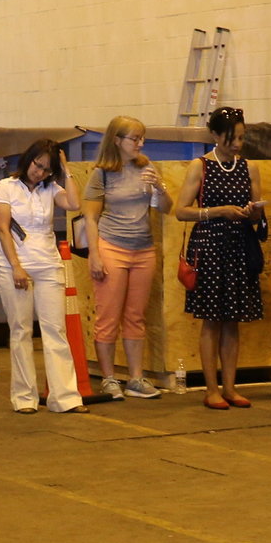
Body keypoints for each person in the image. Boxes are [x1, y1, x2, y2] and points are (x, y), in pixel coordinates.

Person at [178, 105, 266, 411]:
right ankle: (210, 388)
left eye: (241, 137)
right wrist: (218, 211)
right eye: (230, 138)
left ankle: (230, 387)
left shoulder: (249, 168)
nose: (237, 144)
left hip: (240, 245)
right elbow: (180, 210)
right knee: (212, 321)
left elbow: (257, 212)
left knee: (234, 321)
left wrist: (254, 212)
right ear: (214, 135)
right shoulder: (199, 166)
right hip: (210, 248)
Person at [0, 138, 85, 415]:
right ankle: (24, 398)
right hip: (13, 267)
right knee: (21, 331)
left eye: (46, 169)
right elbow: (3, 230)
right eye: (37, 165)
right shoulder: (6, 187)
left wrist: (65, 169)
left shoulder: (52, 188)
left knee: (56, 331)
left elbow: (74, 203)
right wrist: (17, 267)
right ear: (28, 159)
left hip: (48, 265)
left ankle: (65, 397)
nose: (39, 172)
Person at [81, 116, 170, 400]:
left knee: (135, 316)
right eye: (135, 139)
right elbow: (90, 218)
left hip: (143, 249)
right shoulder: (102, 174)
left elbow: (167, 208)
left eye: (143, 138)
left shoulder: (147, 168)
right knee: (108, 316)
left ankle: (135, 378)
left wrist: (160, 187)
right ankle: (108, 378)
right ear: (117, 141)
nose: (140, 144)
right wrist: (95, 255)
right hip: (112, 247)